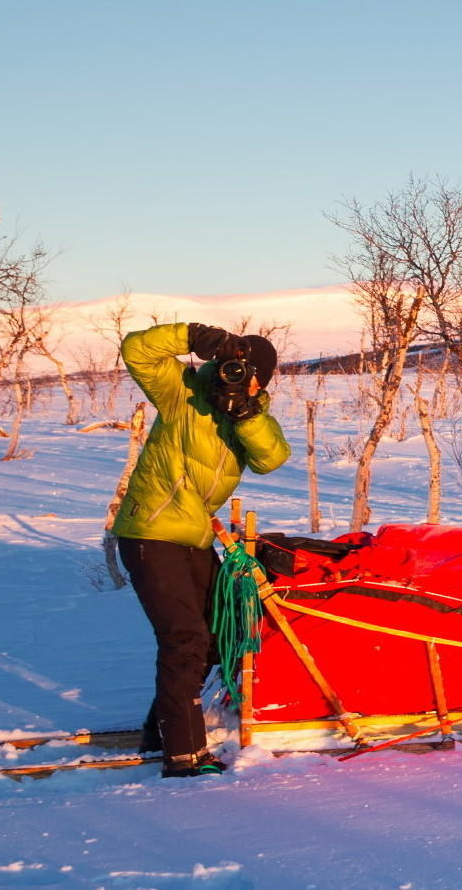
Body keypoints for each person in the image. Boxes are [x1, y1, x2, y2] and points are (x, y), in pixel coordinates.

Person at [112, 322, 290, 777]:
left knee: (218, 637)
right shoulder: (181, 391)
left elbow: (271, 458)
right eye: (231, 363)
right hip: (151, 531)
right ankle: (183, 754)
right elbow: (136, 350)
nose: (232, 374)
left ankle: (163, 730)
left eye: (247, 372)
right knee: (184, 639)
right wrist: (193, 337)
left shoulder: (249, 413)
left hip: (192, 536)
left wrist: (244, 411)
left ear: (260, 381)